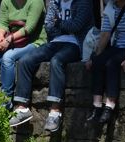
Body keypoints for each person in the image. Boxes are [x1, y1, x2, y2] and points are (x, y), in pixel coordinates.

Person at [9, 0, 93, 131]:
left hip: (76, 43)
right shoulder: (55, 2)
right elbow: (48, 26)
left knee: (56, 61)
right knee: (25, 61)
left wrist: (58, 23)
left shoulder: (83, 2)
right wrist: (62, 27)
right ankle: (22, 108)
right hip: (55, 41)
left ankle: (55, 111)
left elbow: (77, 26)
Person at [0, 0, 45, 109]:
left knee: (8, 58)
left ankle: (6, 100)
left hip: (34, 42)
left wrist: (9, 39)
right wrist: (0, 36)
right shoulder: (6, 2)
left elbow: (29, 28)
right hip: (13, 41)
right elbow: (2, 23)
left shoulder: (36, 2)